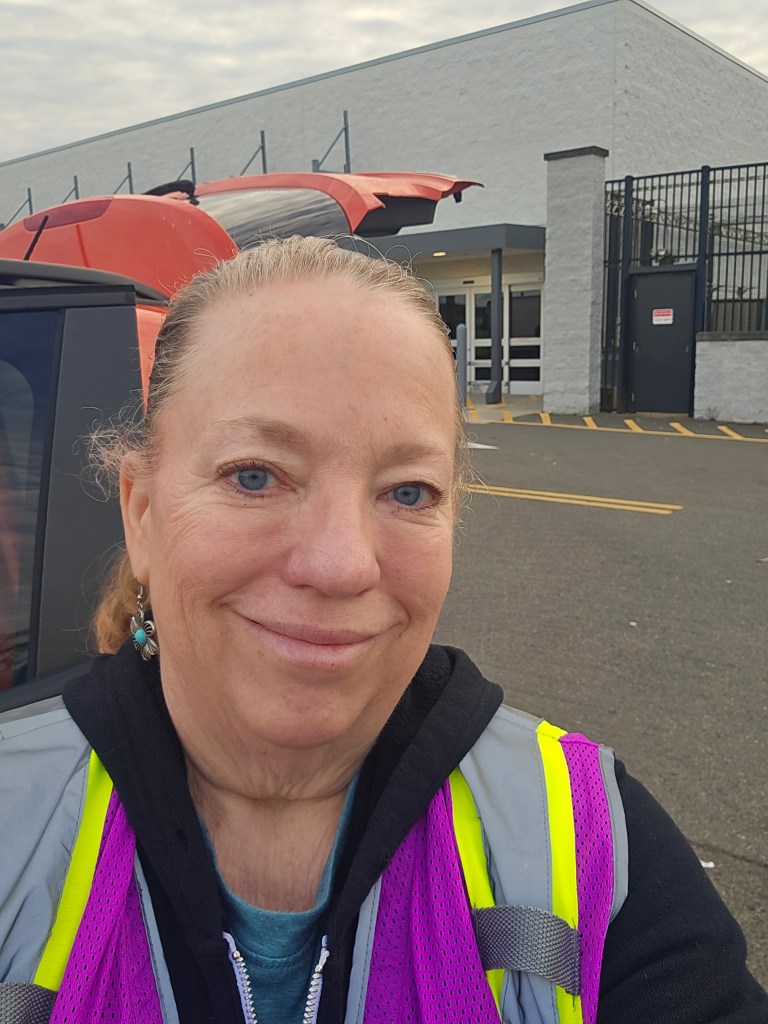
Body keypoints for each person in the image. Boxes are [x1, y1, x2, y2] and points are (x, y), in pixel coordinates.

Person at [0, 236, 765, 1024]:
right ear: (143, 514)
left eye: (407, 492)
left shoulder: (587, 837)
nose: (341, 566)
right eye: (255, 475)